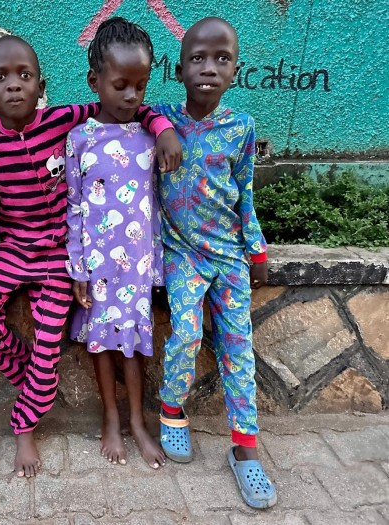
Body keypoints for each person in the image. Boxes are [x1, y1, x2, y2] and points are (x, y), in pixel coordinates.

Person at [0, 35, 182, 477]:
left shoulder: (62, 119)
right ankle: (35, 374)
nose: (13, 85)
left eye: (24, 76)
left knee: (49, 349)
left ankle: (23, 425)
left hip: (59, 255)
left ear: (41, 86)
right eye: (1, 78)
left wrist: (162, 128)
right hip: (14, 250)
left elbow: (127, 106)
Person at [154, 17, 277, 508]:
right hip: (181, 253)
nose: (209, 68)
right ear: (179, 69)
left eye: (221, 59)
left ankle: (245, 448)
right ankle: (171, 410)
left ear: (235, 71)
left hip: (227, 255)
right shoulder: (160, 118)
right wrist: (162, 128)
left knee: (238, 346)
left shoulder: (240, 127)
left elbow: (245, 191)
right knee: (185, 333)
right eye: (198, 59)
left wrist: (256, 248)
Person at [66, 17, 166, 470]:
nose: (131, 96)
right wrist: (77, 267)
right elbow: (74, 206)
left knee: (136, 346)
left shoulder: (150, 138)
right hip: (98, 266)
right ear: (95, 82)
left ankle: (138, 422)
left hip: (137, 265)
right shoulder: (79, 139)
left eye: (140, 87)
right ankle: (110, 418)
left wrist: (156, 264)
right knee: (102, 343)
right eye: (120, 85)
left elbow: (156, 203)